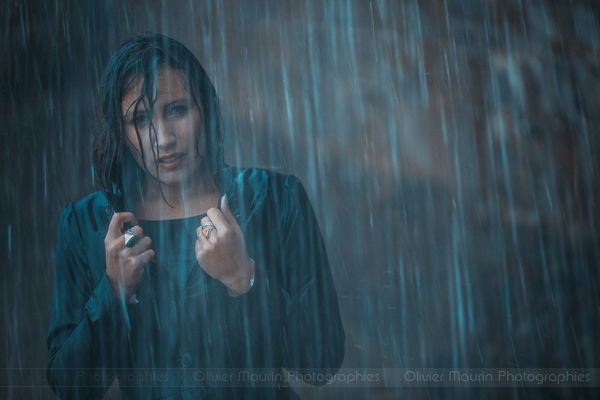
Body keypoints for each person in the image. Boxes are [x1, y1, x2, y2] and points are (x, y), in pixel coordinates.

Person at [46, 33, 345, 400]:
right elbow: (69, 386)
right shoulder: (84, 224)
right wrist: (114, 293)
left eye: (177, 109)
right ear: (118, 132)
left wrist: (243, 278)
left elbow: (322, 362)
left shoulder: (275, 199)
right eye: (139, 119)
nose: (164, 138)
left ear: (205, 107)